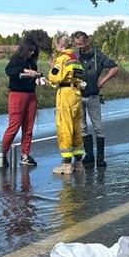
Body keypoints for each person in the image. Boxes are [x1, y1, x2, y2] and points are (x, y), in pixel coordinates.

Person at [72, 31, 120, 168]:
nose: (78, 47)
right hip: (78, 95)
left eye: (80, 44)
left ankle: (100, 158)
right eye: (76, 44)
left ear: (87, 42)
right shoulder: (75, 56)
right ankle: (89, 155)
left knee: (97, 126)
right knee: (82, 127)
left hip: (93, 95)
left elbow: (114, 67)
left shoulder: (97, 55)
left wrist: (103, 80)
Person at [47, 34, 86, 172]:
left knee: (64, 126)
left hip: (65, 93)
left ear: (61, 45)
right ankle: (79, 161)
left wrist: (49, 77)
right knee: (76, 127)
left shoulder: (62, 59)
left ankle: (66, 163)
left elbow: (55, 76)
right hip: (76, 94)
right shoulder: (75, 59)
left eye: (56, 45)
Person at [1, 38, 41, 167]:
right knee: (14, 127)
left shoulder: (32, 63)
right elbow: (9, 71)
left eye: (33, 52)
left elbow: (35, 76)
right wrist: (25, 71)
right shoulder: (16, 61)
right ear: (24, 49)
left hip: (31, 95)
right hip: (17, 95)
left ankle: (25, 155)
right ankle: (1, 154)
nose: (31, 54)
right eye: (30, 51)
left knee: (28, 128)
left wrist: (38, 79)